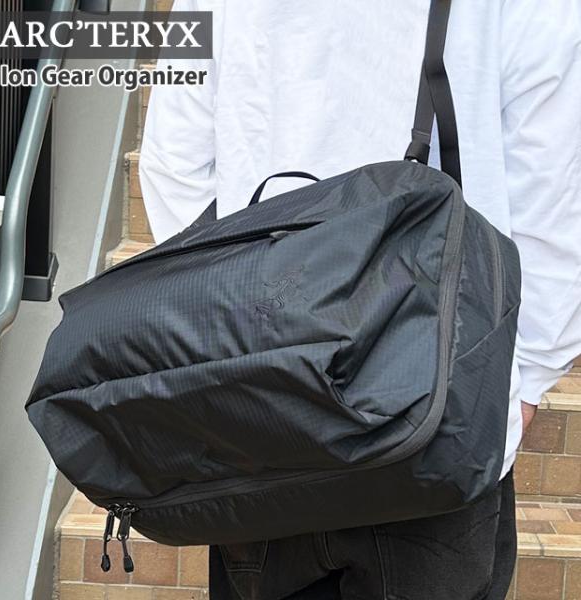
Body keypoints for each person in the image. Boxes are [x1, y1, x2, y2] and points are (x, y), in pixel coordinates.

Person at [139, 1, 581, 598]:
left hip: (266, 411)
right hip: (440, 414)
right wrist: (525, 381)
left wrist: (228, 348)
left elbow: (174, 163)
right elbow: (555, 198)